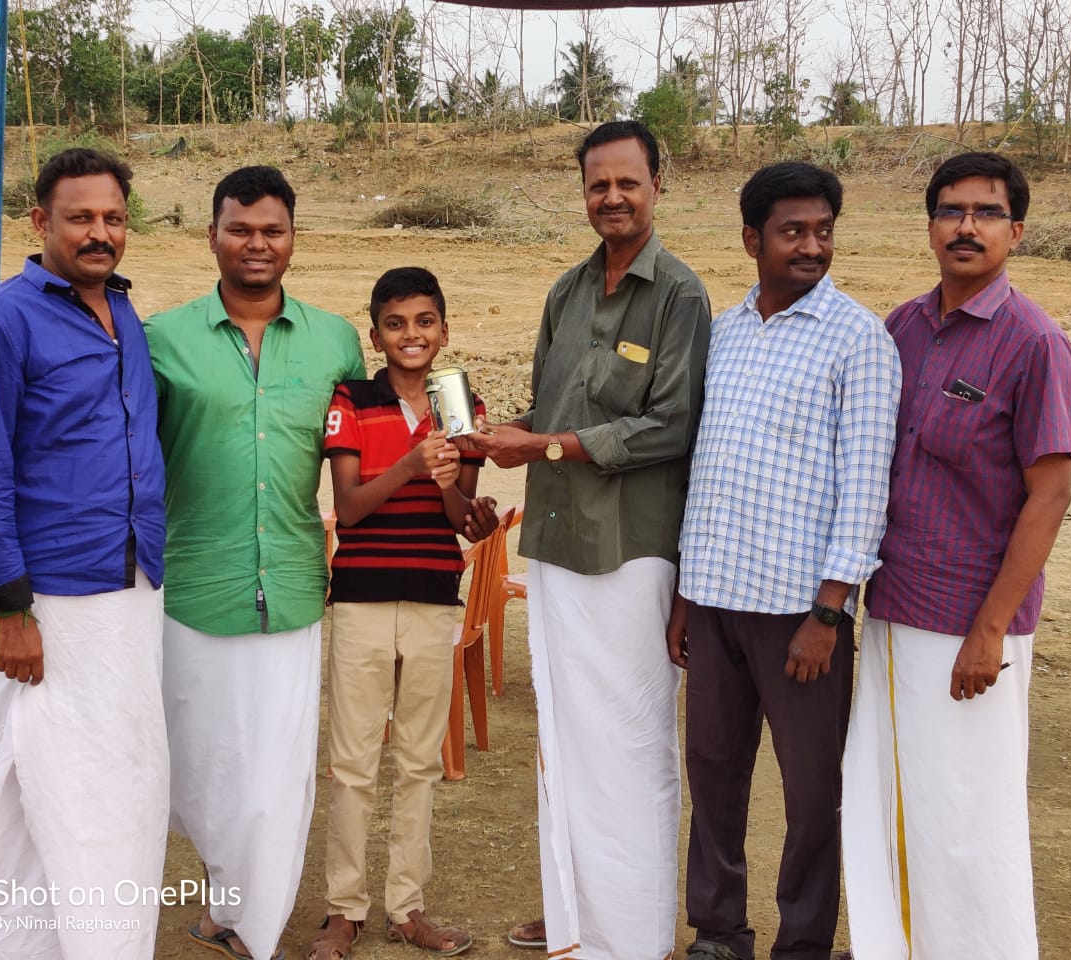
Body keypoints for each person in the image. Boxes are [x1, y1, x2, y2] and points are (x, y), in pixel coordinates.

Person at [469, 120, 711, 960]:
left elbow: (671, 426)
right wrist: (503, 434)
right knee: (568, 738)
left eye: (627, 182)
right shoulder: (567, 292)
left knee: (631, 739)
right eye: (597, 184)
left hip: (631, 551)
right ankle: (577, 913)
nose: (612, 197)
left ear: (657, 186)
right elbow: (556, 415)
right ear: (583, 192)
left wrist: (542, 446)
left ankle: (634, 931)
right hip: (560, 542)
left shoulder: (679, 295)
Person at [843, 152, 1071, 960]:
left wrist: (990, 629)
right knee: (889, 798)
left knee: (967, 821)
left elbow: (1048, 495)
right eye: (951, 211)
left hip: (969, 627)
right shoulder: (903, 327)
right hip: (893, 609)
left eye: (985, 213)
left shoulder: (1034, 343)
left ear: (1015, 230)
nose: (966, 226)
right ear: (931, 225)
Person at [667, 163, 900, 960]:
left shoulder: (860, 340)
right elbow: (704, 466)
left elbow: (866, 486)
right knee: (715, 780)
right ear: (751, 240)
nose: (811, 246)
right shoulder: (724, 332)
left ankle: (802, 943)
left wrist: (830, 613)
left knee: (811, 797)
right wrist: (686, 597)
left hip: (802, 618)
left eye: (823, 231)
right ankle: (719, 930)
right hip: (717, 601)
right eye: (792, 231)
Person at [0, 148, 169, 960]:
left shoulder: (124, 314)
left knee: (119, 787)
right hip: (51, 603)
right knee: (57, 792)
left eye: (112, 217)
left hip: (132, 585)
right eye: (80, 217)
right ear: (39, 222)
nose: (99, 233)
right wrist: (10, 609)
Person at [145, 166, 366, 960]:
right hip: (193, 585)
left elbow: (365, 452)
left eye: (272, 230)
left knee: (276, 770)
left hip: (296, 585)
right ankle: (218, 895)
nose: (256, 243)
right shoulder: (159, 340)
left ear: (293, 239)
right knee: (203, 762)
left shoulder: (337, 340)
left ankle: (255, 924)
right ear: (212, 235)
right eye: (240, 228)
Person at [309, 267, 495, 960]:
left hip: (430, 593)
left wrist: (465, 505)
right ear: (376, 333)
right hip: (360, 595)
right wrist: (414, 465)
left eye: (424, 322)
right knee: (354, 761)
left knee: (419, 761)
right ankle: (343, 908)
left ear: (444, 330)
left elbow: (456, 518)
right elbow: (350, 509)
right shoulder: (353, 399)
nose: (411, 335)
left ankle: (406, 905)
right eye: (396, 323)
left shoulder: (460, 400)